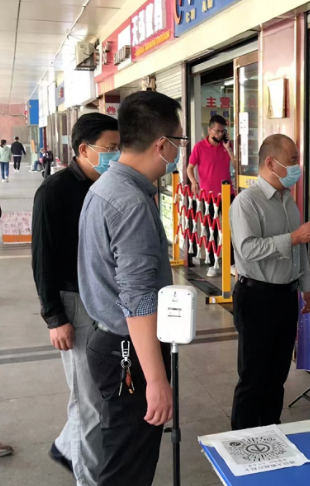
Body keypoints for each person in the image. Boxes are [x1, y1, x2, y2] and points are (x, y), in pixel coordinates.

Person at [78, 91, 184, 486]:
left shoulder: (105, 188)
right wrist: (156, 380)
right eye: (179, 141)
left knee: (121, 456)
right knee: (127, 470)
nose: (178, 151)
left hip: (109, 342)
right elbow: (137, 298)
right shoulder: (131, 203)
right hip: (129, 354)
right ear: (162, 144)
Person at [31, 113, 119, 484]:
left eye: (119, 148)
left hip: (105, 301)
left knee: (101, 392)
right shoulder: (55, 191)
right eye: (110, 149)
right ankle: (89, 478)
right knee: (89, 400)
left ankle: (69, 447)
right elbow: (42, 257)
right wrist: (55, 317)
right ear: (84, 149)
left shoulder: (108, 186)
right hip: (74, 304)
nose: (116, 156)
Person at [230, 134, 310, 430]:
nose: (298, 166)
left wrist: (306, 286)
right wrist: (294, 237)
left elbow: (300, 247)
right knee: (253, 376)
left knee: (278, 375)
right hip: (256, 297)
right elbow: (248, 250)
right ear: (271, 163)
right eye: (293, 159)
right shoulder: (247, 202)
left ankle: (271, 431)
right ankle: (242, 441)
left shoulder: (288, 202)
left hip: (286, 297)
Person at [187, 115, 236, 277]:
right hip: (209, 196)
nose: (220, 134)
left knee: (231, 229)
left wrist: (229, 149)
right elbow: (190, 168)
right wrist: (194, 181)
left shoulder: (227, 146)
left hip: (228, 194)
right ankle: (213, 264)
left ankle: (232, 263)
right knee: (211, 230)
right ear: (209, 130)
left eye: (223, 131)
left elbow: (237, 165)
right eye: (218, 131)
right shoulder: (199, 147)